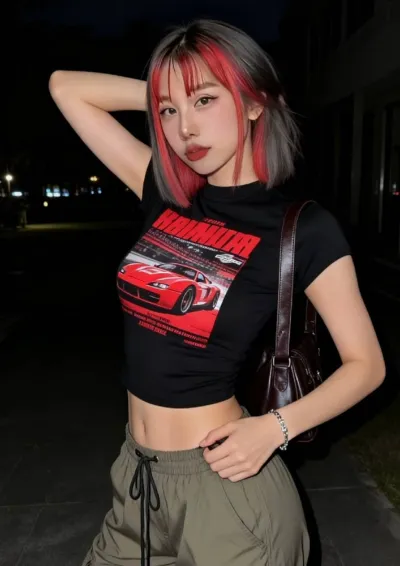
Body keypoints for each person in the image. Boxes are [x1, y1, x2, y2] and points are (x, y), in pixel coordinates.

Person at [49, 19, 386, 566]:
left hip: (226, 489)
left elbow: (367, 364)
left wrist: (274, 429)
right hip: (138, 475)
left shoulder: (302, 227)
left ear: (254, 103)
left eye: (205, 100)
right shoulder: (163, 190)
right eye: (169, 111)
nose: (185, 128)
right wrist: (171, 90)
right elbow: (65, 86)